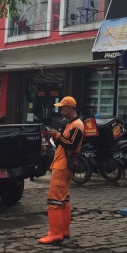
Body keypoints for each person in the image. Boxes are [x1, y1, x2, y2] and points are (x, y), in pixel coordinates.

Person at [38, 96, 84, 244]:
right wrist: (57, 137)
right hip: (62, 164)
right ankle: (63, 230)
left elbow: (71, 144)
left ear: (70, 108)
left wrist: (57, 135)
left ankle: (55, 233)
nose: (61, 110)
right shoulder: (71, 124)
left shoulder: (77, 125)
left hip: (63, 166)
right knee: (63, 199)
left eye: (63, 107)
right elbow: (66, 143)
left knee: (54, 199)